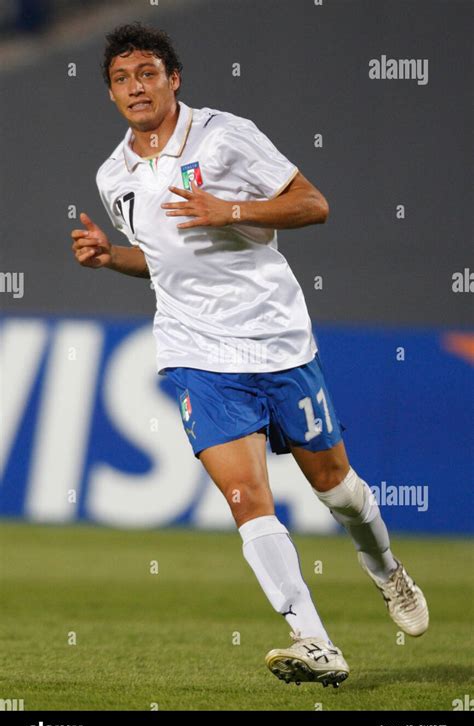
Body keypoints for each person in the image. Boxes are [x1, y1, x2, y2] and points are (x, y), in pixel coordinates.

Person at [71, 22, 428, 688]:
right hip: (196, 353)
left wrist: (229, 208)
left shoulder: (225, 135)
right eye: (121, 78)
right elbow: (165, 263)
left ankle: (386, 570)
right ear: (112, 94)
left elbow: (312, 204)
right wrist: (110, 257)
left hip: (277, 340)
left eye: (147, 72)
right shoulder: (112, 175)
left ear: (173, 79)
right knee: (244, 492)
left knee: (337, 488)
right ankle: (313, 639)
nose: (135, 87)